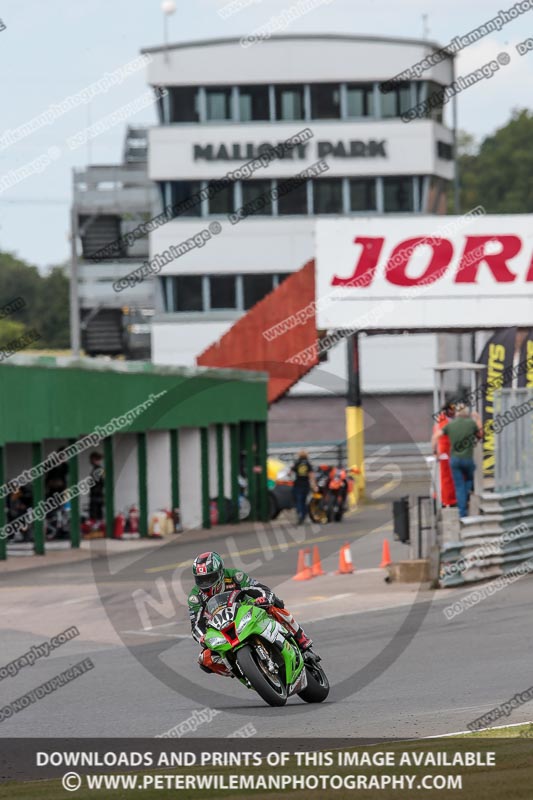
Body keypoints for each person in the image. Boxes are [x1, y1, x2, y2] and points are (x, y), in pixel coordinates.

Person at [188, 551, 313, 677]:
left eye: (209, 578)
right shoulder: (195, 596)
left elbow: (259, 588)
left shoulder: (235, 576)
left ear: (220, 572)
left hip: (248, 611)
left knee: (275, 604)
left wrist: (264, 598)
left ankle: (301, 639)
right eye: (201, 579)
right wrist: (202, 637)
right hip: (222, 627)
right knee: (204, 659)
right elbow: (196, 625)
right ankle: (239, 670)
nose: (206, 583)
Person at [432, 403, 483, 519]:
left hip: (454, 459)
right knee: (469, 480)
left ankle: (462, 513)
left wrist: (435, 452)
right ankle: (465, 497)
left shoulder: (450, 425)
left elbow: (435, 437)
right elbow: (480, 435)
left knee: (458, 485)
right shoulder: (471, 424)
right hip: (467, 459)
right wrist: (478, 419)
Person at [432, 402, 457, 508]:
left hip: (445, 451)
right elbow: (438, 437)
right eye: (452, 410)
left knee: (445, 477)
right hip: (445, 452)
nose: (454, 412)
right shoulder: (444, 421)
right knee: (446, 478)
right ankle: (448, 500)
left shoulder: (442, 420)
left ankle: (445, 498)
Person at [291, 449, 314, 524]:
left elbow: (290, 472)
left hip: (298, 484)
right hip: (306, 484)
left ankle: (300, 513)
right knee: (304, 501)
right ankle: (304, 515)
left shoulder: (297, 462)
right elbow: (311, 474)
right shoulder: (308, 463)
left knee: (298, 500)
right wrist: (313, 484)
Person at [88, 451, 105, 521]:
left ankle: (96, 528)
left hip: (97, 495)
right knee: (97, 512)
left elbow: (100, 482)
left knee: (96, 513)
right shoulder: (97, 469)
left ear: (94, 459)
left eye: (91, 459)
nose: (90, 461)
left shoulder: (98, 469)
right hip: (97, 494)